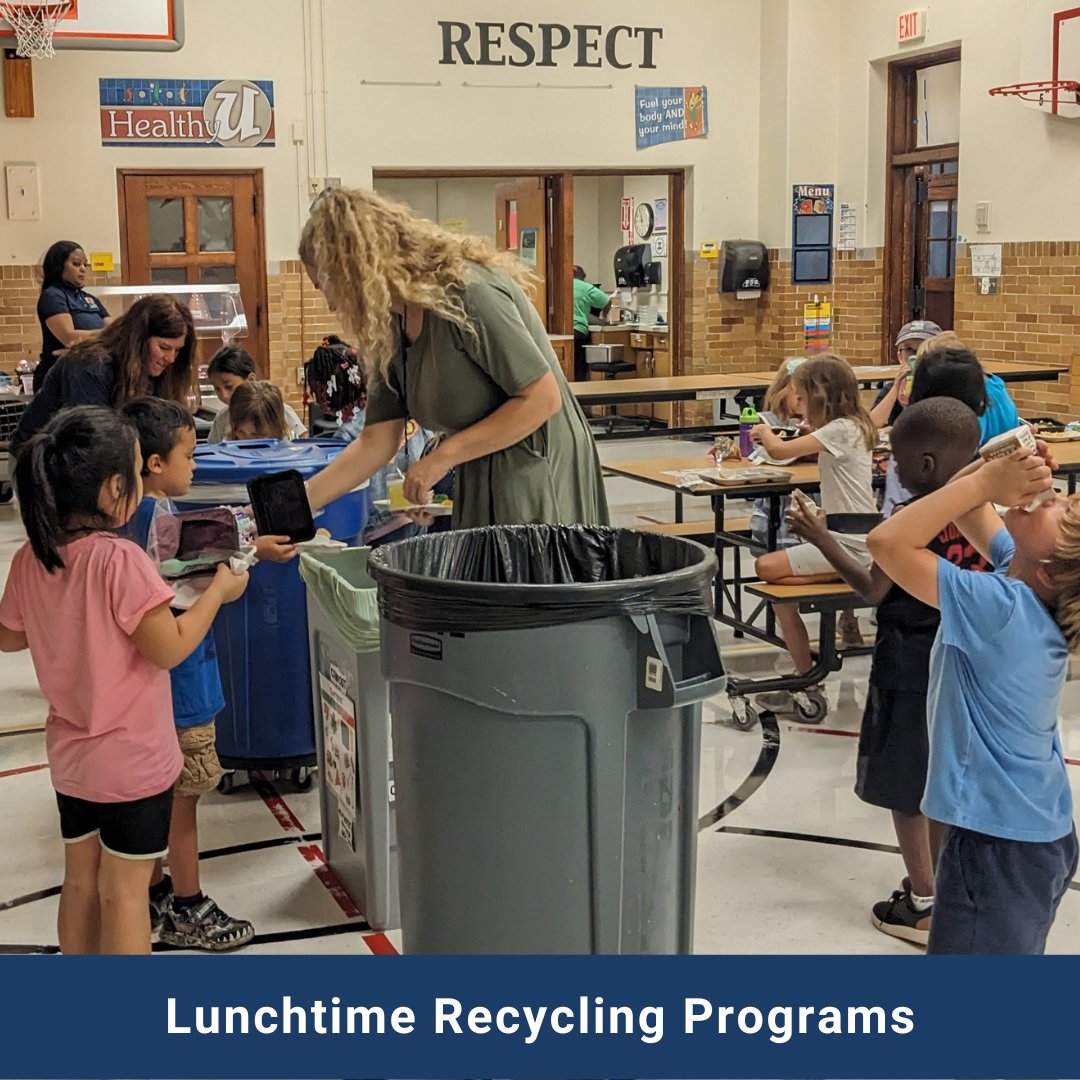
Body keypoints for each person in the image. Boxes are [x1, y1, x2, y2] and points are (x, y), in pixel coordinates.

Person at [0, 406, 248, 954]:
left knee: (82, 883)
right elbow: (169, 648)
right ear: (116, 488)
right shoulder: (119, 561)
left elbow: (10, 636)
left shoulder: (31, 561)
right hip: (134, 765)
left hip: (72, 760)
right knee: (125, 893)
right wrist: (218, 594)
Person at [787, 398, 990, 946]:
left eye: (895, 458)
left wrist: (819, 536)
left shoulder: (911, 520)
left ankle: (924, 903)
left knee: (906, 785)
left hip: (908, 660)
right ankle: (947, 889)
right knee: (946, 775)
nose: (890, 468)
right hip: (968, 659)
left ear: (925, 463)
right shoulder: (985, 514)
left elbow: (874, 588)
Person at [869, 439, 1080, 954]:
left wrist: (988, 484)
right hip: (1029, 833)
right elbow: (960, 501)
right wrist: (999, 463)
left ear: (1048, 572)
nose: (1052, 496)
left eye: (1059, 509)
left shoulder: (1004, 609)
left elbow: (887, 544)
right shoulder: (1024, 582)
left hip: (997, 843)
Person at [298, 187, 609, 528]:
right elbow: (377, 441)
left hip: (537, 464)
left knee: (518, 576)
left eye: (326, 286)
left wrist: (442, 458)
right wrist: (294, 506)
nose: (330, 304)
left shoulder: (467, 293)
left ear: (357, 270)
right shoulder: (391, 323)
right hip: (478, 463)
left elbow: (542, 398)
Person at [119, 398, 293, 950]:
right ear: (152, 464)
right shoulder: (159, 519)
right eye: (188, 456)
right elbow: (197, 588)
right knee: (184, 801)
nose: (195, 466)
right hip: (184, 688)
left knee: (155, 800)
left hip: (144, 691)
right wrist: (246, 565)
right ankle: (188, 906)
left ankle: (153, 893)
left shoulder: (122, 518)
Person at [750, 354, 878, 706]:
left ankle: (805, 677)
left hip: (848, 542)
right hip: (853, 537)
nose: (800, 407)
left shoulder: (839, 430)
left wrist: (764, 431)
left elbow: (778, 451)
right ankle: (803, 673)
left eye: (803, 399)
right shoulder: (853, 424)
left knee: (766, 569)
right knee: (777, 590)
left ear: (820, 396)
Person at [12, 294, 197, 457]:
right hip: (41, 462)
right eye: (164, 348)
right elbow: (90, 443)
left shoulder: (153, 369)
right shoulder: (89, 366)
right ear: (138, 340)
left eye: (177, 350)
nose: (171, 358)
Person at [35, 241, 112, 393]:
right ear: (59, 266)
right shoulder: (53, 295)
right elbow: (69, 337)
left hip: (89, 373)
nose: (83, 269)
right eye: (76, 264)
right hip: (62, 377)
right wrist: (109, 334)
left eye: (85, 265)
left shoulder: (89, 298)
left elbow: (113, 326)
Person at [206, 345, 306, 443]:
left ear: (250, 379)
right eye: (217, 388)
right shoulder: (222, 418)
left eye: (229, 387)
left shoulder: (278, 410)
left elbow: (303, 441)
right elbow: (213, 450)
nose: (224, 395)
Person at [870, 320, 942, 428]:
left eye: (924, 351)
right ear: (900, 356)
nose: (915, 357)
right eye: (908, 350)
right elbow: (871, 425)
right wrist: (896, 387)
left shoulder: (943, 387)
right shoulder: (892, 389)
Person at [572, 265, 613, 382]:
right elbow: (606, 301)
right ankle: (581, 396)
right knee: (579, 368)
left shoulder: (558, 284)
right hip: (578, 330)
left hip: (562, 333)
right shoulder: (585, 287)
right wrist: (603, 317)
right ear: (581, 276)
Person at [227, 380, 293, 441]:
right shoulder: (227, 443)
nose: (246, 441)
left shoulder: (290, 445)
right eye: (241, 432)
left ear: (277, 428)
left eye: (257, 435)